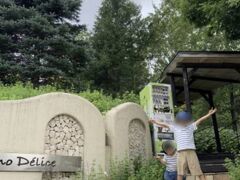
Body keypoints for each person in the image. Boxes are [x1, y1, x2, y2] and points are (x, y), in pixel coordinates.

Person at [150, 108, 217, 180]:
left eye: (185, 120)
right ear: (178, 121)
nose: (183, 122)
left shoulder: (191, 127)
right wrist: (155, 122)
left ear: (188, 121)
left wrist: (209, 114)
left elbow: (200, 120)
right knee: (180, 173)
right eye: (182, 120)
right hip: (180, 152)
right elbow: (165, 125)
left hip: (191, 152)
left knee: (197, 171)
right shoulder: (175, 127)